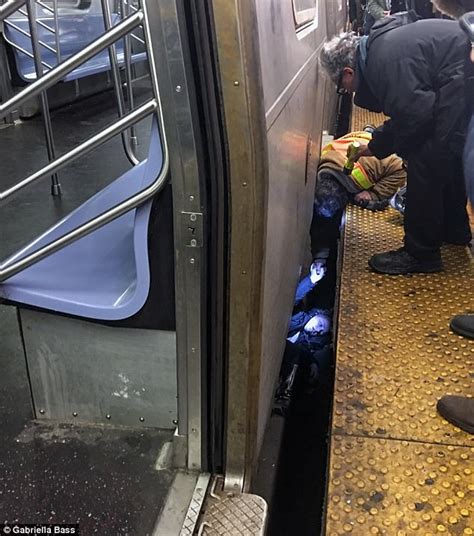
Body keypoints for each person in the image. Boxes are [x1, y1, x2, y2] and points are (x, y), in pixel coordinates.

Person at [320, 14, 472, 275]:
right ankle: (454, 229)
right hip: (461, 81)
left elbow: (416, 117)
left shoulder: (384, 63)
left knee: (426, 160)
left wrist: (388, 147)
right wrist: (375, 146)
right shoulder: (383, 48)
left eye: (341, 86)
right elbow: (410, 114)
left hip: (461, 83)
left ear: (348, 72)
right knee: (448, 155)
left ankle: (421, 254)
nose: (345, 91)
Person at [311, 127, 406, 255]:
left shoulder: (381, 163)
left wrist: (374, 194)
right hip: (361, 139)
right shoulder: (325, 162)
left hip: (369, 144)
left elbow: (401, 170)